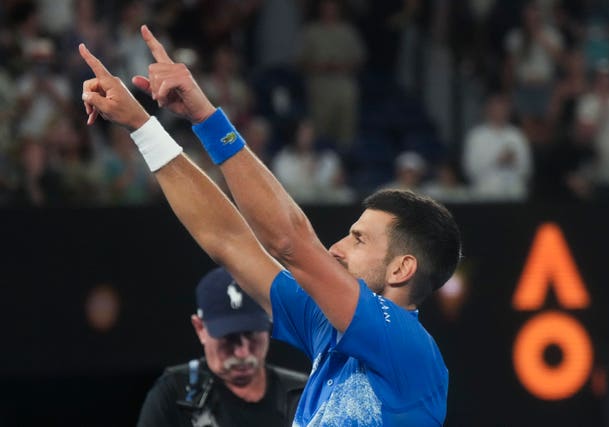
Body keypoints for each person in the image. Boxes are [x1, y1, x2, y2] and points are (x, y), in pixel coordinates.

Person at [79, 24, 461, 426]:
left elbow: (289, 241)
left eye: (359, 240)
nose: (337, 248)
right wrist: (143, 128)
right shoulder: (326, 328)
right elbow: (228, 241)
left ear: (402, 269)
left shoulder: (408, 347)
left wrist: (206, 117)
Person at [137, 266, 307, 427]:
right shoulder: (175, 394)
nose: (242, 352)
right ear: (200, 328)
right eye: (229, 338)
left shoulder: (301, 394)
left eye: (252, 334)